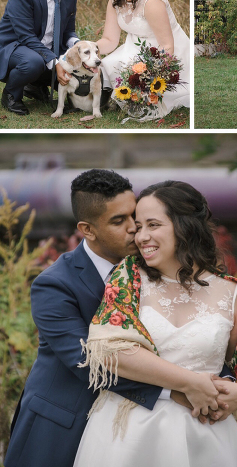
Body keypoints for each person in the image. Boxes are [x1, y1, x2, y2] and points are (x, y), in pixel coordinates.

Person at [74, 180, 237, 467]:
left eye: (153, 225)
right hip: (131, 435)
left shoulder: (232, 291)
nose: (141, 237)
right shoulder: (127, 276)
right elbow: (112, 352)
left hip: (209, 434)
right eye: (139, 226)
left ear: (185, 226)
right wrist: (192, 384)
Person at [5, 170, 167, 467]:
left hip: (142, 429)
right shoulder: (54, 284)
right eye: (119, 221)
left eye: (135, 215)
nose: (134, 229)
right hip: (63, 428)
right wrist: (177, 391)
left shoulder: (158, 270)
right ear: (87, 229)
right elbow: (88, 363)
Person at [96, 0, 190, 119]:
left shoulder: (151, 0)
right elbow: (109, 40)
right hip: (134, 47)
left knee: (135, 78)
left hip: (164, 52)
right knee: (107, 65)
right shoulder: (115, 0)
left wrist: (151, 77)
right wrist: (87, 49)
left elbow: (167, 45)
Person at [0, 0, 78, 116]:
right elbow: (26, 37)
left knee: (80, 60)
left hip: (45, 48)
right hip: (15, 48)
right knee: (34, 62)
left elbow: (68, 32)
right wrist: (55, 62)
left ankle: (35, 86)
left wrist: (78, 46)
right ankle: (11, 95)